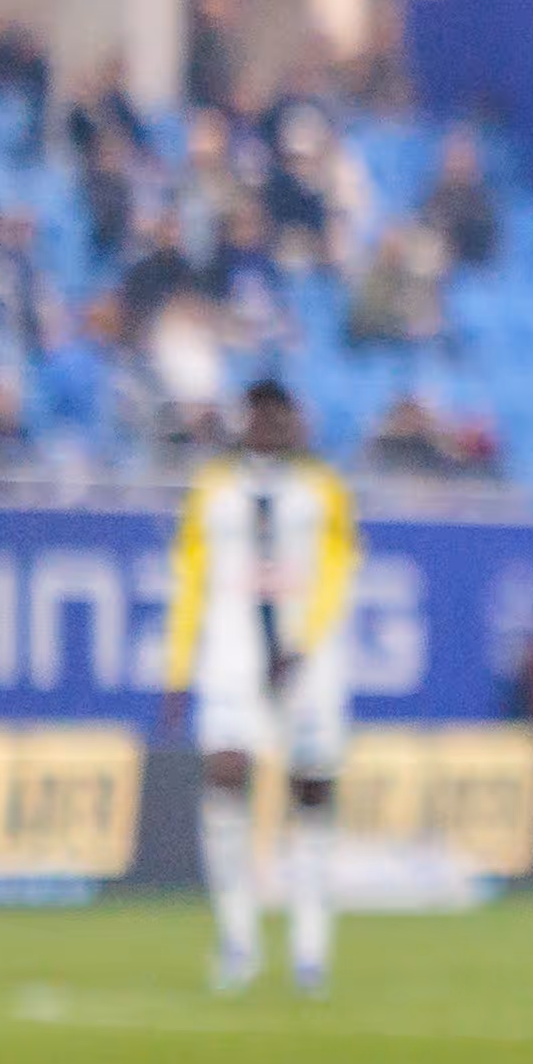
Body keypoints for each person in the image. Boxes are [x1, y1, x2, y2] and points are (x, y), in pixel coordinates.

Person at [168, 380, 360, 997]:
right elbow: (190, 577)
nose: (271, 426)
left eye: (282, 415)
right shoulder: (213, 488)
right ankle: (237, 938)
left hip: (309, 661)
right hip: (231, 656)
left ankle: (310, 948)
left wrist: (304, 643)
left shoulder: (323, 488)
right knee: (225, 775)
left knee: (312, 792)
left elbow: (340, 570)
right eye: (261, 415)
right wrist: (178, 668)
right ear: (246, 418)